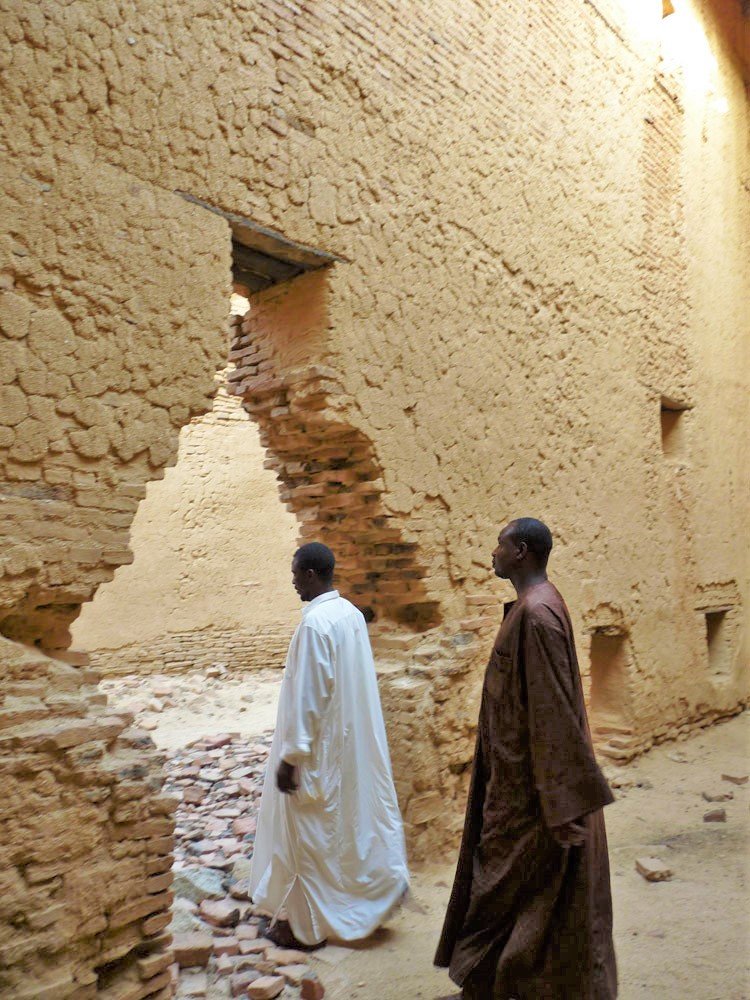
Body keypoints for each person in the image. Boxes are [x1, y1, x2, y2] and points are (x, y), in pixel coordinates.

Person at [435, 518, 617, 999]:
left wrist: (561, 805)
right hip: (514, 788)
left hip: (530, 800)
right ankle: (494, 986)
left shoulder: (537, 616)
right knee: (515, 897)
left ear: (521, 550)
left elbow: (554, 713)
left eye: (498, 544)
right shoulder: (531, 609)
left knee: (500, 893)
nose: (491, 553)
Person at [249, 541, 409, 948]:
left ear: (310, 574)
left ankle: (308, 928)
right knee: (344, 831)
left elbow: (311, 694)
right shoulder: (350, 614)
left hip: (320, 752)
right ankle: (353, 907)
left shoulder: (316, 625)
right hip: (347, 746)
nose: (291, 581)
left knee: (312, 836)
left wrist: (293, 756)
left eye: (294, 573)